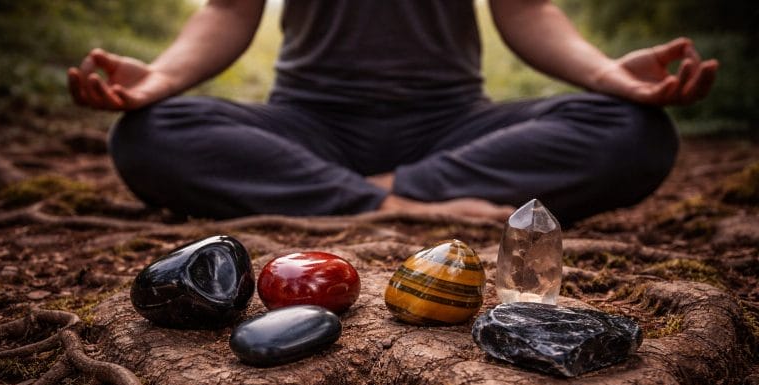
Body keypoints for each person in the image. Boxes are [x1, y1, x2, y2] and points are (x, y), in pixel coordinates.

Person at [68, 0, 718, 225]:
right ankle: (391, 205)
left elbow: (526, 10)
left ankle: (370, 196)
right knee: (148, 134)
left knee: (635, 132)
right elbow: (230, 11)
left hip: (454, 126)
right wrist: (161, 78)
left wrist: (609, 76)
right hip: (309, 126)